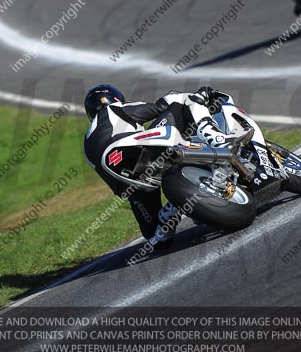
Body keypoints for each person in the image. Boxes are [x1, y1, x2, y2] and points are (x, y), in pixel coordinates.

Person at [83, 84, 253, 250]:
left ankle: (171, 211)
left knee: (158, 236)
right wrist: (202, 95)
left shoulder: (86, 144)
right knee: (183, 102)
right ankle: (218, 139)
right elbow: (161, 105)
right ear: (116, 98)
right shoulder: (115, 109)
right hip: (134, 148)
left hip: (129, 183)